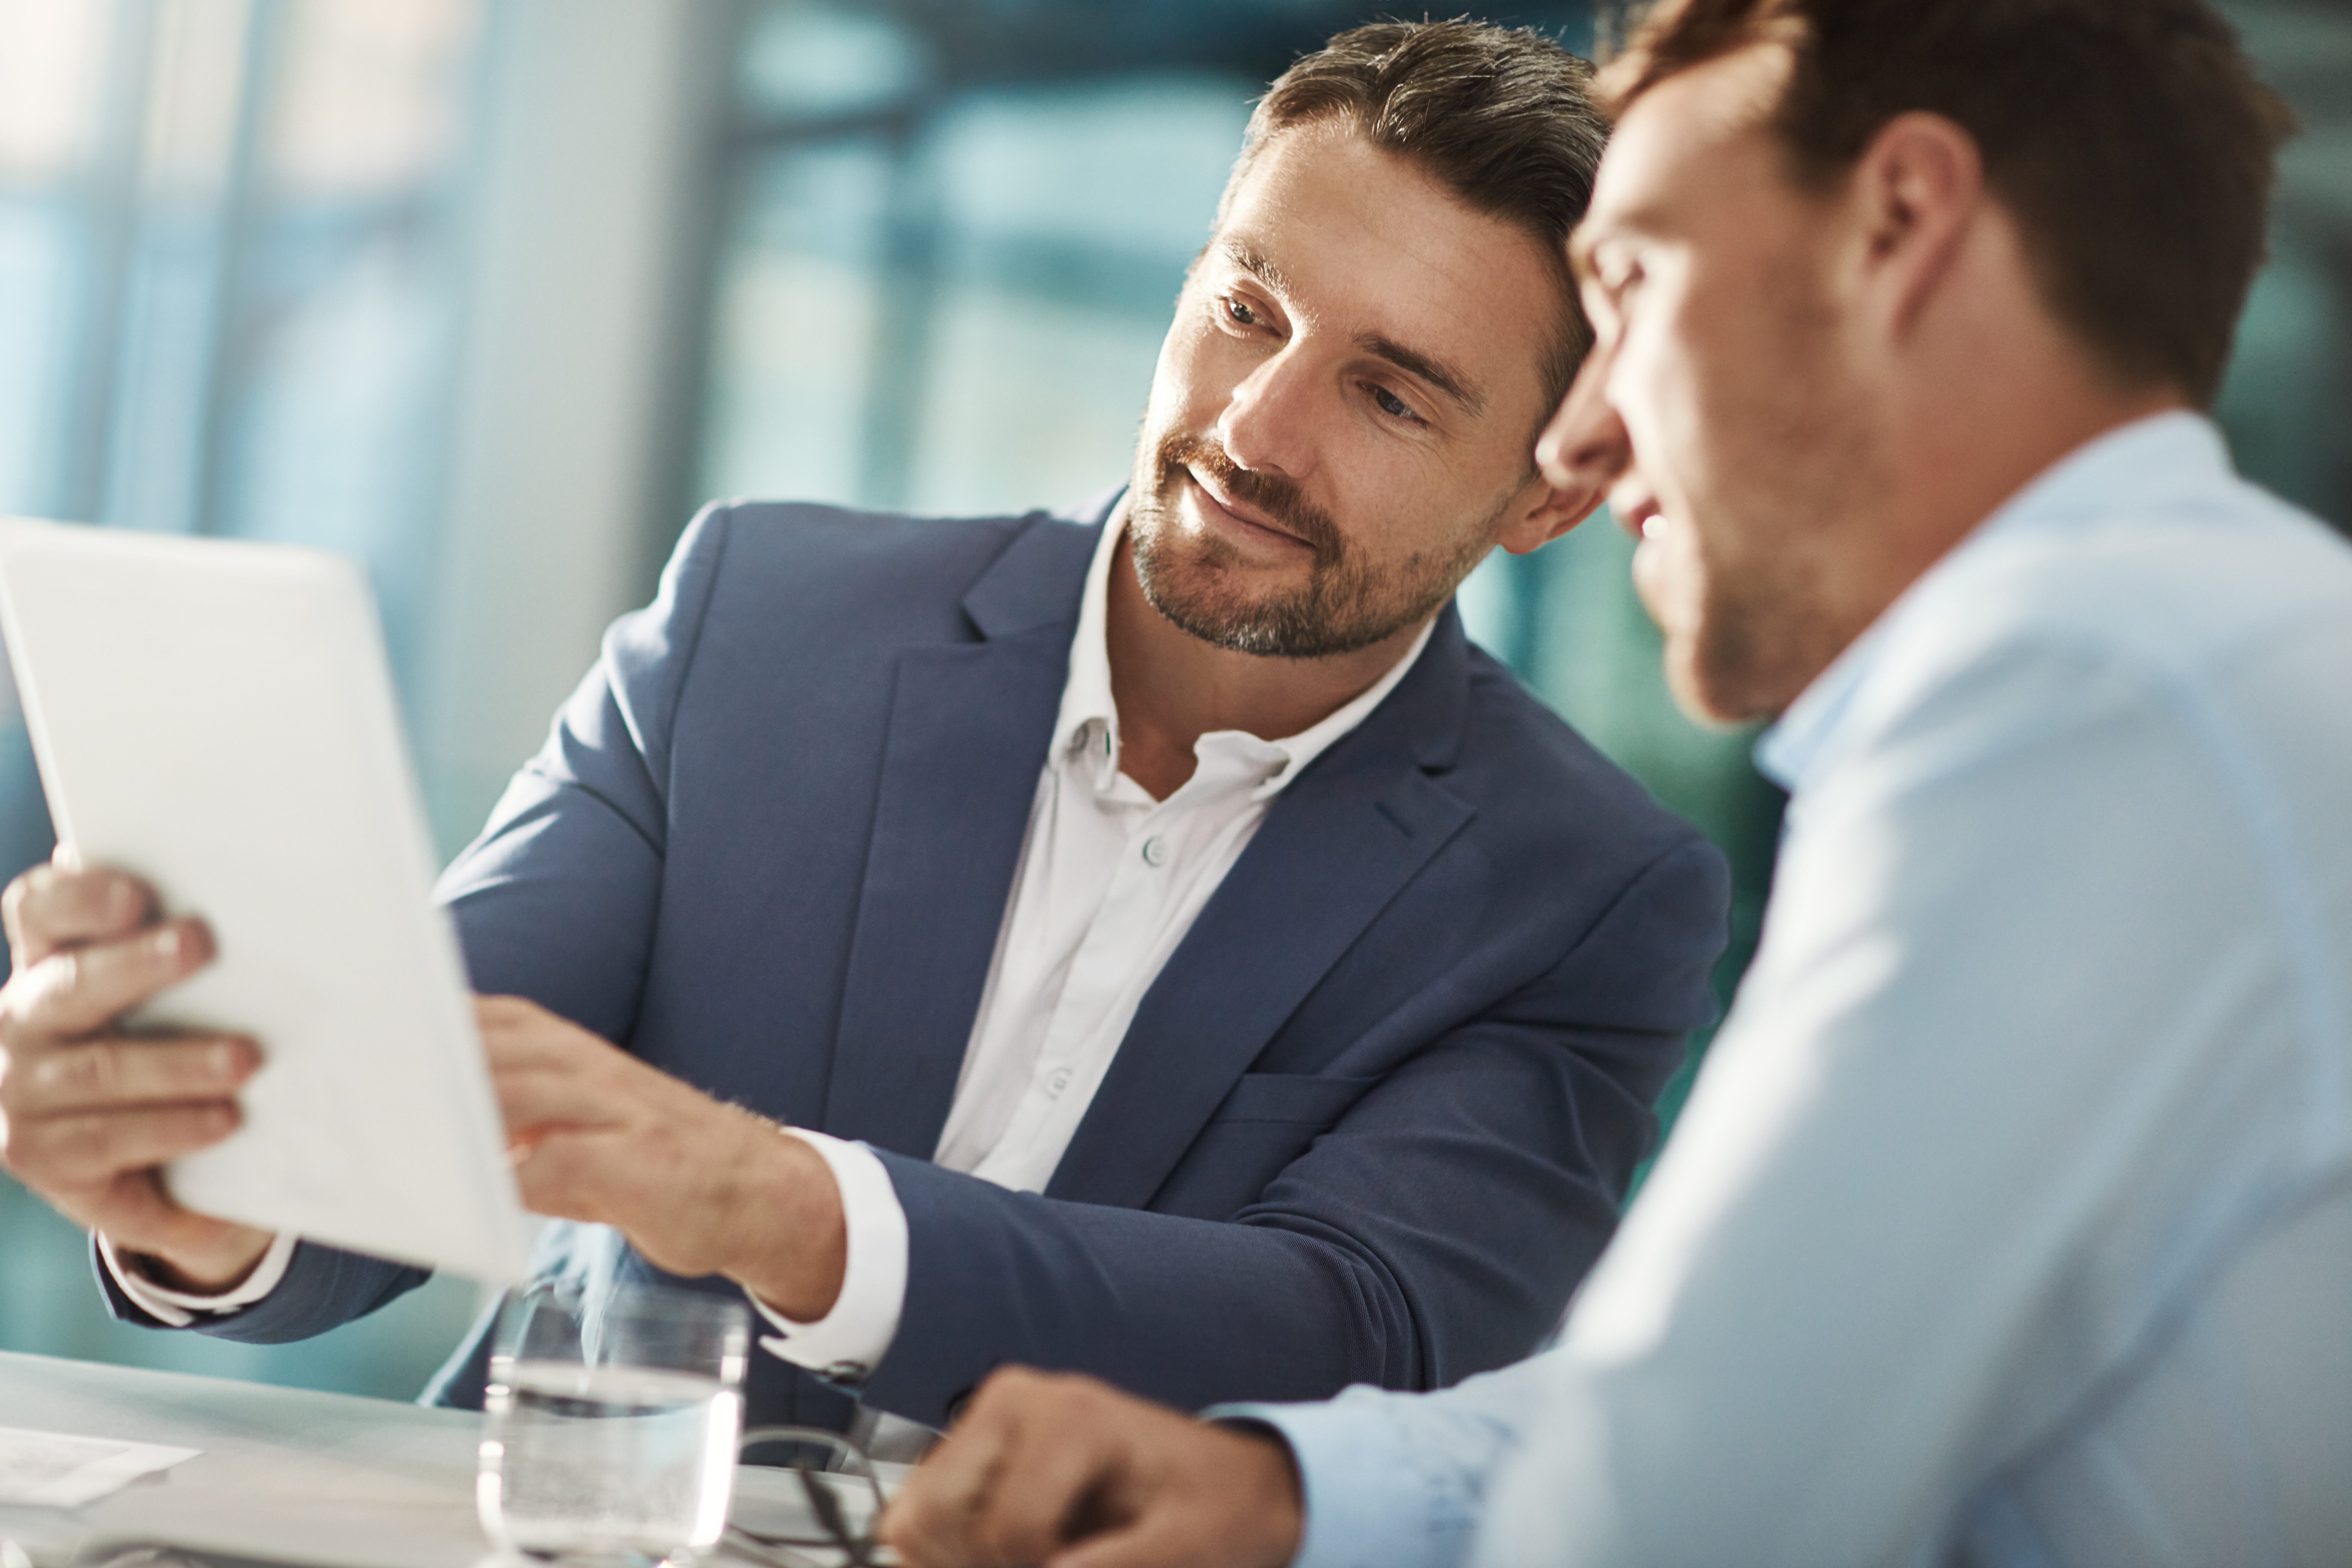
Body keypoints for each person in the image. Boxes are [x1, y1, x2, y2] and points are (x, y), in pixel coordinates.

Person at [0, 22, 1731, 1444]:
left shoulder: (1581, 890)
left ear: (1548, 493)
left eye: (1388, 390)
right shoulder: (763, 618)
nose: (1252, 429)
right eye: (1244, 310)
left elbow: (1361, 1330)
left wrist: (780, 1205)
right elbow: (428, 1096)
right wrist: (211, 1188)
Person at [873, 0, 2352, 1562]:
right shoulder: (2204, 657)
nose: (1579, 441)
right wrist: (1283, 1497)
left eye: (1636, 285)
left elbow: (1672, 1522)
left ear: (1901, 225)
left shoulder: (2079, 683)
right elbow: (1756, 1376)